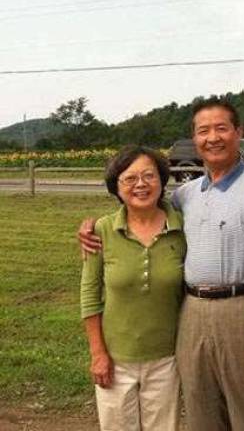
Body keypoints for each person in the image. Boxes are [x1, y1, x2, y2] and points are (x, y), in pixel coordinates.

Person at [79, 97, 244, 431]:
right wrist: (91, 226)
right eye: (203, 130)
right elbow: (142, 203)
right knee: (200, 411)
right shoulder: (186, 196)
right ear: (194, 139)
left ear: (238, 132)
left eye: (221, 128)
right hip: (191, 312)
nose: (213, 137)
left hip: (240, 310)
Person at [80, 146, 186, 431]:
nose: (141, 185)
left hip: (167, 358)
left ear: (162, 181)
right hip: (115, 360)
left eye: (149, 176)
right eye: (130, 178)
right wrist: (98, 354)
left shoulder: (182, 228)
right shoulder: (101, 230)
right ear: (116, 186)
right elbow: (90, 295)